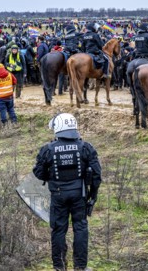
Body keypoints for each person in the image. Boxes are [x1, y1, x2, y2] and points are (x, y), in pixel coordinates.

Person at [33, 113, 102, 271]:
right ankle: (80, 267)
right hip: (80, 195)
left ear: (58, 128)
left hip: (58, 196)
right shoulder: (86, 147)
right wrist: (93, 196)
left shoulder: (48, 149)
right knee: (80, 228)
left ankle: (60, 267)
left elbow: (38, 173)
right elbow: (97, 175)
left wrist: (51, 177)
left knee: (58, 230)